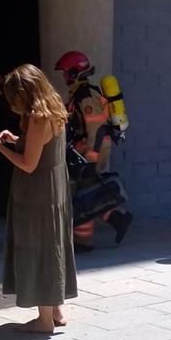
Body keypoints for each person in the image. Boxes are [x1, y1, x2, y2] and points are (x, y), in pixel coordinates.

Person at [0, 64, 77, 334]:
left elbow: (28, 164)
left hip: (37, 193)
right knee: (53, 243)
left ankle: (44, 320)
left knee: (38, 247)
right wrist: (16, 139)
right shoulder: (55, 106)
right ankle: (57, 309)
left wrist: (0, 147)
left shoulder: (38, 117)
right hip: (54, 188)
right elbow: (42, 146)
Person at [54, 51, 132, 252]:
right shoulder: (79, 94)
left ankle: (88, 238)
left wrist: (91, 159)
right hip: (87, 148)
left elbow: (96, 130)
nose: (64, 77)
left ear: (75, 72)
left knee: (84, 193)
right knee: (87, 192)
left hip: (93, 149)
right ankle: (116, 219)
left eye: (66, 72)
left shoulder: (86, 95)